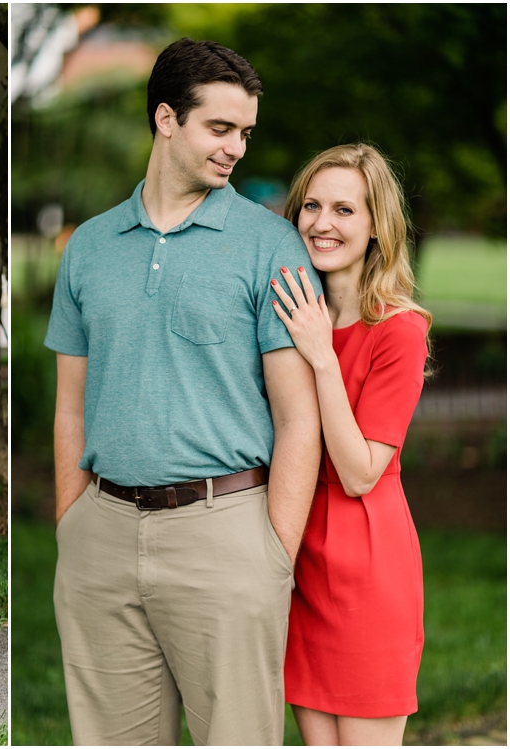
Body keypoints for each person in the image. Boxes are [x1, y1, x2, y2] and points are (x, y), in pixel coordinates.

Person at [44, 38, 323, 745]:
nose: (236, 148)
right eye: (220, 128)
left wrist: (271, 556)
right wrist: (71, 525)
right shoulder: (90, 247)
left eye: (246, 133)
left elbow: (298, 419)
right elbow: (70, 403)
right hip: (100, 534)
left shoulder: (271, 246)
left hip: (225, 529)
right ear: (166, 118)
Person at [271, 143, 430, 746]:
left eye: (344, 209)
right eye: (311, 205)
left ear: (376, 228)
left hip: (367, 565)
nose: (321, 223)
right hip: (297, 554)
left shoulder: (400, 330)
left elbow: (362, 471)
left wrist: (321, 355)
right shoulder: (285, 313)